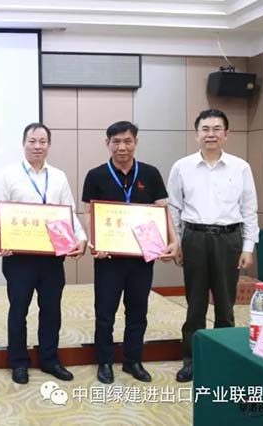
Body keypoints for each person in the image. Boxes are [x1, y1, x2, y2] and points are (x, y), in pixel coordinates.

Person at [82, 121, 178, 384]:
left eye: (127, 141)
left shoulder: (150, 173)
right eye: (116, 142)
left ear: (136, 142)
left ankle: (133, 360)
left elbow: (162, 209)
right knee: (105, 312)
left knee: (137, 311)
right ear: (107, 143)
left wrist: (174, 240)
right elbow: (89, 213)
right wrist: (94, 241)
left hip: (141, 259)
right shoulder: (95, 175)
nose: (122, 147)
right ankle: (104, 361)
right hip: (109, 260)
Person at [167, 109, 258, 383]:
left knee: (225, 305)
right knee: (195, 305)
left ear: (226, 134)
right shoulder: (181, 167)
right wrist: (176, 242)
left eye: (217, 129)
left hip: (228, 240)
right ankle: (191, 360)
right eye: (205, 129)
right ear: (196, 134)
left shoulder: (240, 167)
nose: (211, 134)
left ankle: (223, 359)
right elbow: (173, 208)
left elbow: (249, 209)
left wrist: (248, 247)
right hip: (194, 239)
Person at [0, 122, 87, 385]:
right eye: (32, 141)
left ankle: (49, 359)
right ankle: (18, 362)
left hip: (52, 256)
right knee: (18, 309)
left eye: (42, 141)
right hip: (19, 257)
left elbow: (69, 212)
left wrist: (80, 238)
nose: (37, 146)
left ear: (49, 145)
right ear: (23, 143)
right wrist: (0, 240)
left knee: (51, 309)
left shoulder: (58, 176)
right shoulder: (8, 175)